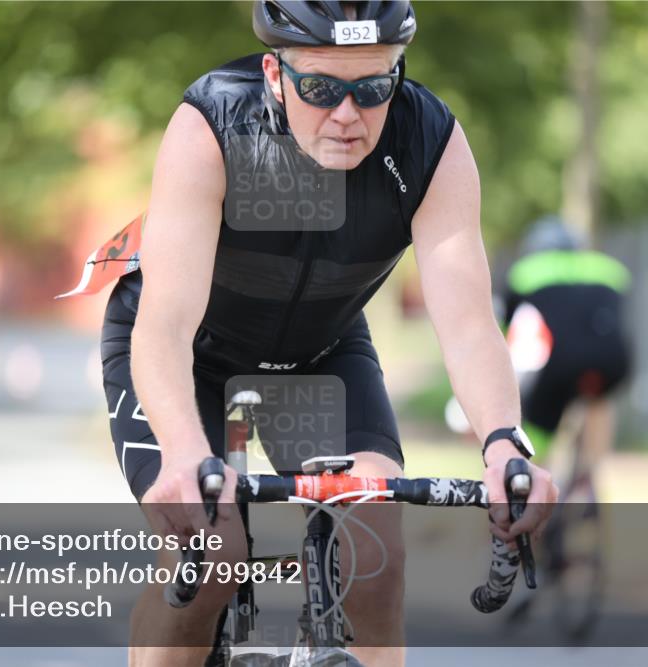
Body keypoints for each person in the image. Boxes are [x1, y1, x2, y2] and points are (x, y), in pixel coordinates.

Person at [98, 2, 559, 665]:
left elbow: (466, 322)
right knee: (212, 555)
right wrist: (181, 453)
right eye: (320, 87)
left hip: (320, 349)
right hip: (187, 352)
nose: (348, 113)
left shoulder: (431, 142)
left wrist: (502, 441)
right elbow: (166, 324)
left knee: (375, 550)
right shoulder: (211, 125)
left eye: (373, 87)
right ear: (274, 74)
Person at [502, 215, 633, 471]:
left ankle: (533, 476)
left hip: (559, 360)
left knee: (539, 422)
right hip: (613, 360)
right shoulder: (610, 269)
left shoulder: (524, 272)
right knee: (598, 398)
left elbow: (509, 329)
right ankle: (590, 474)